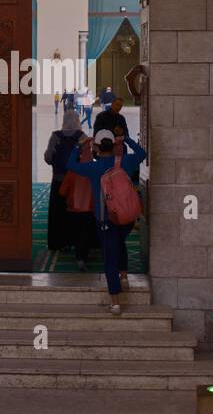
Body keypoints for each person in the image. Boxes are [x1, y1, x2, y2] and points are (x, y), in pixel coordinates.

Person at [66, 129, 147, 313]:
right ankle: (124, 276)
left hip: (105, 218)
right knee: (120, 242)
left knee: (110, 256)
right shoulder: (126, 162)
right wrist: (125, 139)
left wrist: (80, 146)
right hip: (126, 217)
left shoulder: (93, 168)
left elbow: (70, 164)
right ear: (113, 144)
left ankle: (116, 302)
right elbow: (143, 154)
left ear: (96, 147)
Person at [43, 110, 85, 255]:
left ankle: (57, 243)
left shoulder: (55, 136)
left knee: (58, 211)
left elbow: (48, 158)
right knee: (75, 211)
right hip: (76, 182)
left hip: (59, 180)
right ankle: (75, 241)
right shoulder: (81, 136)